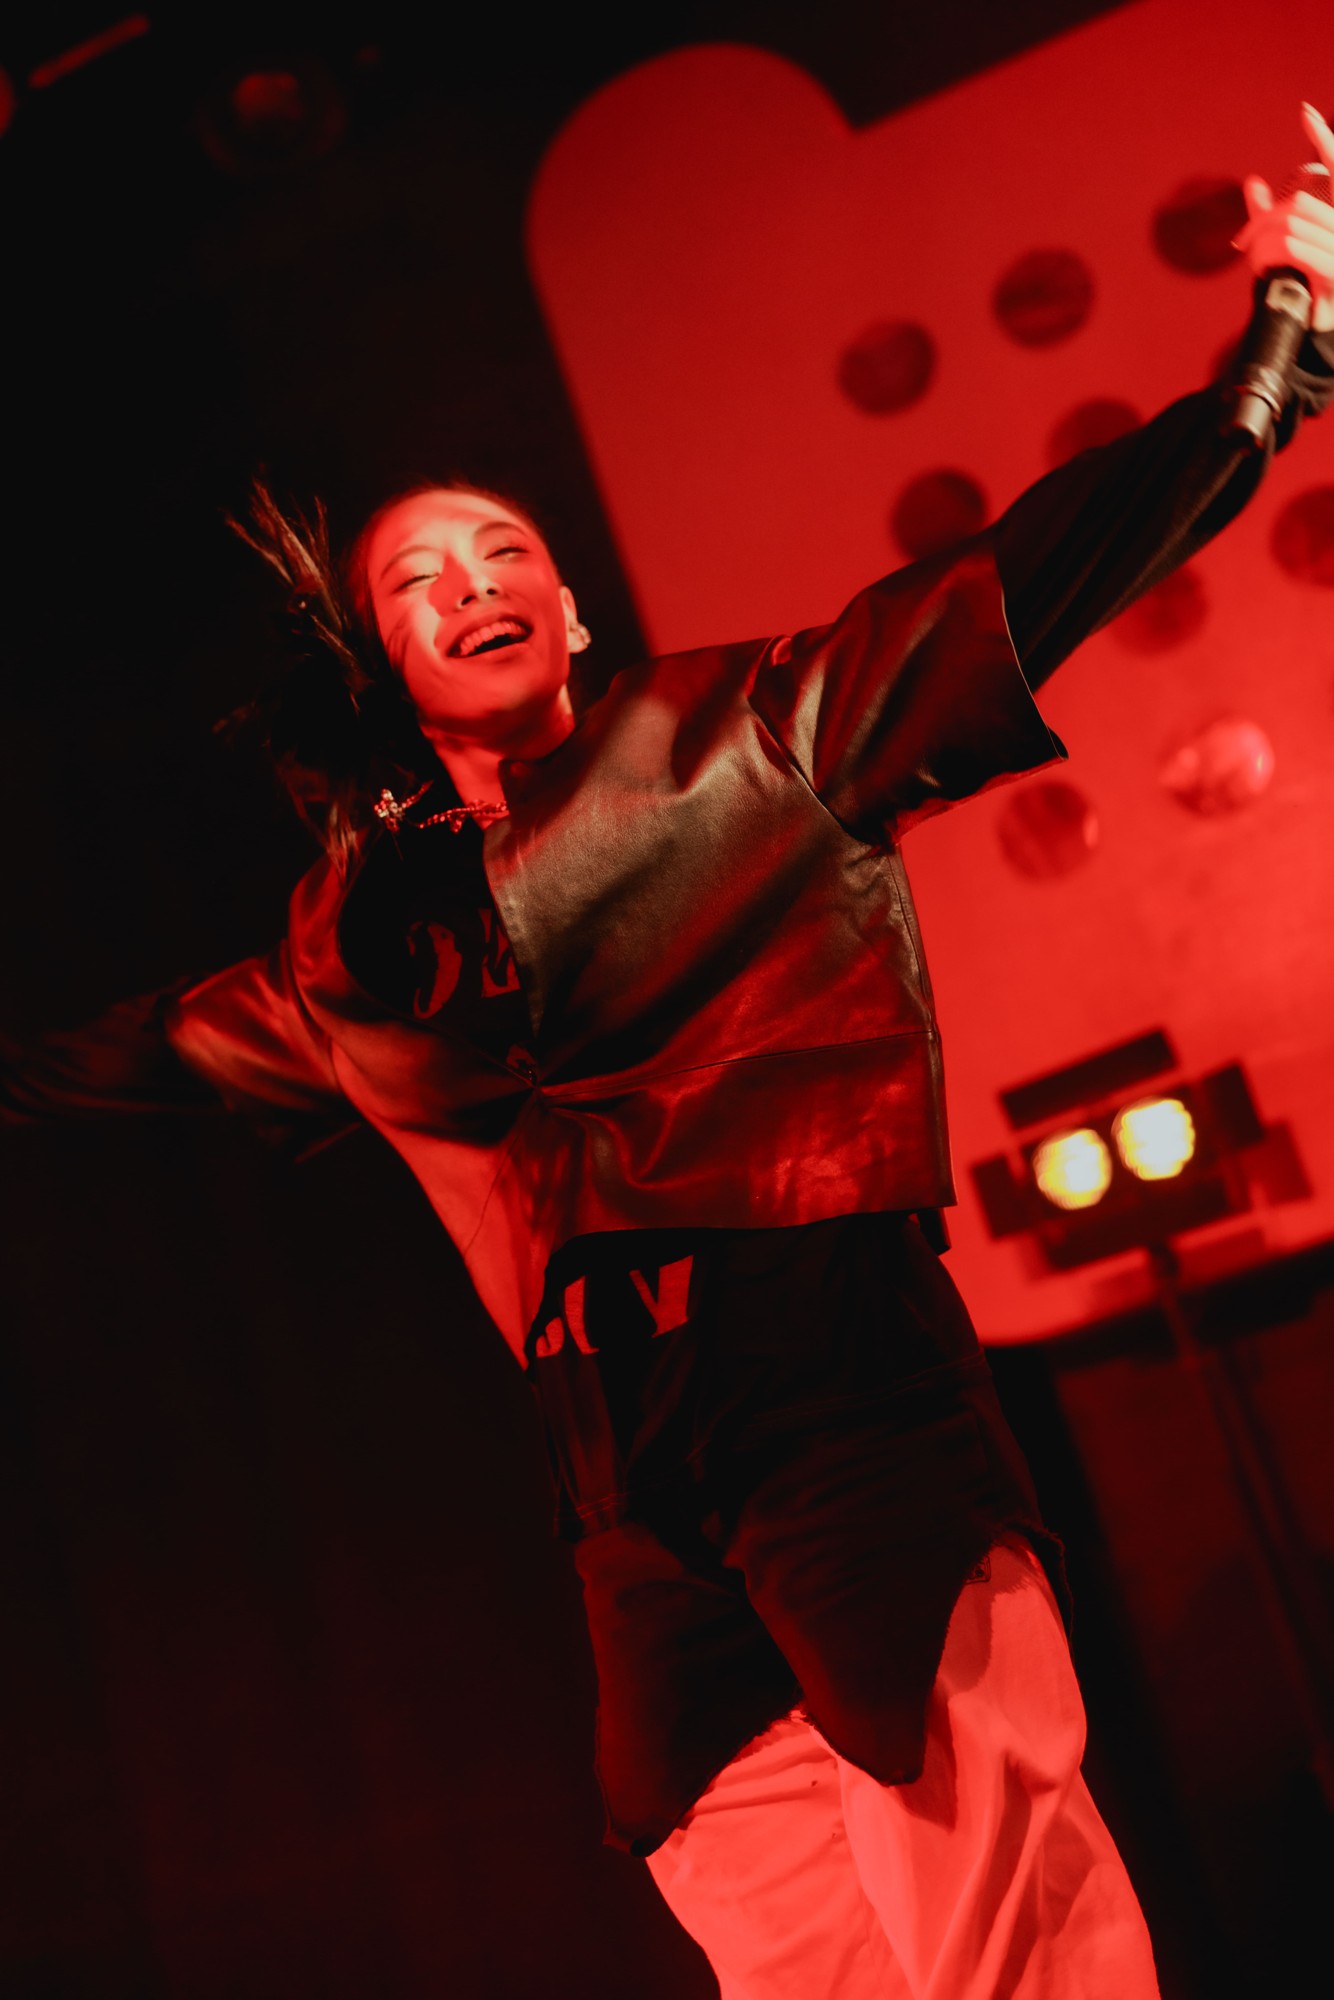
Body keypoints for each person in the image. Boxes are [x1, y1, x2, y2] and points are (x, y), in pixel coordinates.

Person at [5, 104, 1334, 2000]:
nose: (469, 579)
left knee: (996, 1914)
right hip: (620, 1474)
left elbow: (1044, 568)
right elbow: (132, 1052)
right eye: (415, 575)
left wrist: (1282, 347)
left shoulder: (753, 740)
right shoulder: (366, 957)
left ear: (570, 612)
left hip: (836, 1387)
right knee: (764, 1914)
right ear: (376, 663)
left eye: (504, 550)